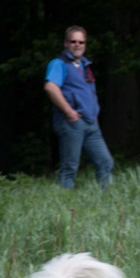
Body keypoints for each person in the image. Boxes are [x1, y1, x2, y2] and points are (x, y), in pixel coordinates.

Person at [43, 26, 114, 189]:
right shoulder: (58, 63)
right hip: (71, 122)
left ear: (85, 44)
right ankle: (64, 208)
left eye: (81, 42)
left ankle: (110, 202)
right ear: (65, 43)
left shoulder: (84, 65)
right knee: (69, 167)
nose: (77, 45)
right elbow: (50, 87)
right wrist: (69, 112)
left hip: (90, 123)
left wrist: (94, 113)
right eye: (73, 41)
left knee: (106, 162)